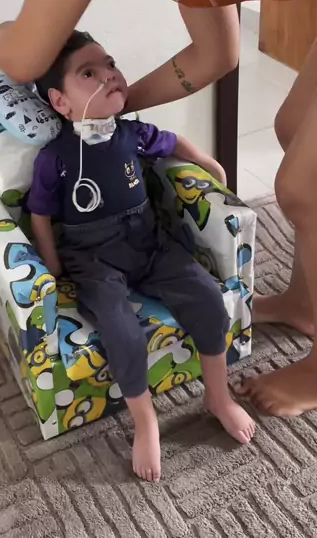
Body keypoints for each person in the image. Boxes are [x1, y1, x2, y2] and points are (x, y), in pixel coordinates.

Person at [0, 0, 317, 418]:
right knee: (293, 127)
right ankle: (308, 305)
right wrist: (115, 107)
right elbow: (215, 55)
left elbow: (25, 56)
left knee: (305, 187)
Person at [28, 29, 256, 481]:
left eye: (110, 64)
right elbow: (39, 214)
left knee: (208, 298)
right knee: (123, 333)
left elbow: (172, 141)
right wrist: (53, 266)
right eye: (88, 73)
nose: (109, 75)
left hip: (149, 244)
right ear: (60, 102)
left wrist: (207, 162)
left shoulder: (132, 133)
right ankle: (146, 420)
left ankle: (218, 395)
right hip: (94, 260)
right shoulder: (55, 157)